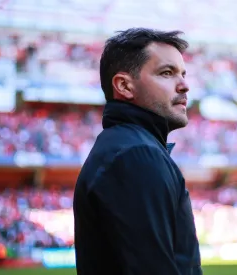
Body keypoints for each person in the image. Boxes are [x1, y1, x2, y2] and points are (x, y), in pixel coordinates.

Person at [73, 28, 202, 275]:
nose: (185, 85)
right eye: (167, 73)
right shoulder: (136, 155)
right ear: (124, 85)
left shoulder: (128, 147)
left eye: (183, 74)